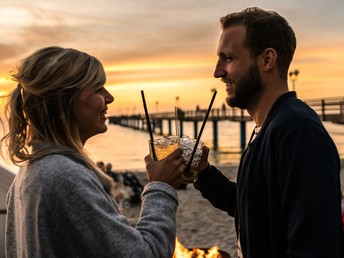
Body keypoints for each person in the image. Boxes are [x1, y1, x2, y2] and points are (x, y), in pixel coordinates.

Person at [0, 46, 186, 258]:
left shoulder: (31, 170)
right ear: (65, 100)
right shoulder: (63, 175)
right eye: (98, 89)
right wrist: (161, 186)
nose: (109, 98)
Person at [195, 7, 344, 258]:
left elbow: (315, 246)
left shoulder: (298, 132)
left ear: (267, 60)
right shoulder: (269, 128)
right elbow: (252, 208)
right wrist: (204, 174)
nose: (217, 71)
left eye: (228, 58)